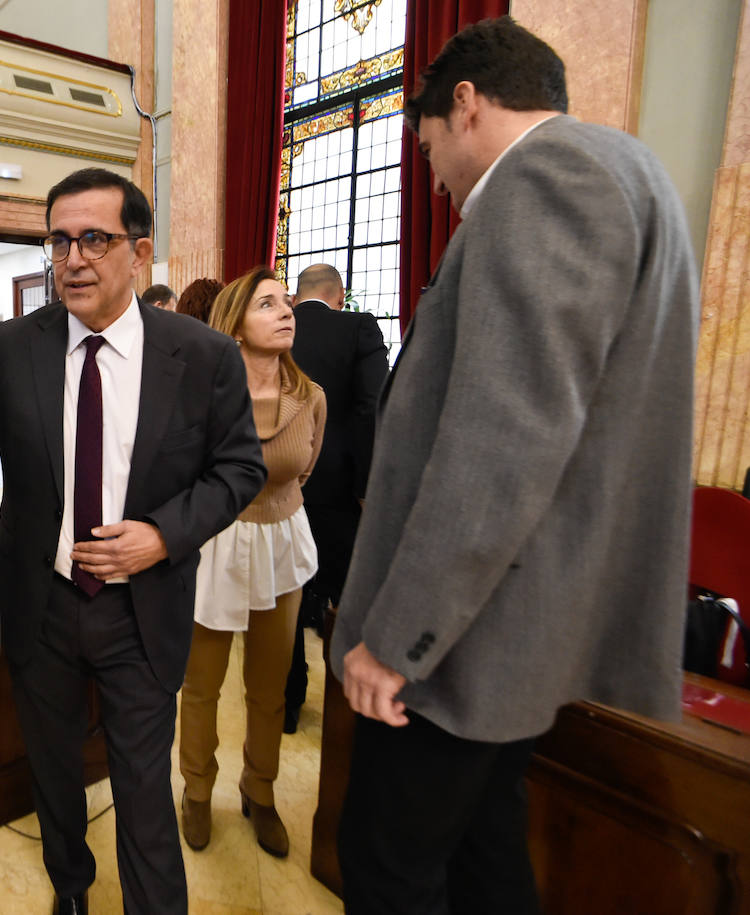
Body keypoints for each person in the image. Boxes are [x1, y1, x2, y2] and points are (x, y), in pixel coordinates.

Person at [329, 17, 699, 915]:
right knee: (486, 852)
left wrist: (400, 633)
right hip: (527, 630)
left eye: (424, 150)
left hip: (464, 643)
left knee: (385, 863)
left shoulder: (543, 179)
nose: (436, 180)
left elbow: (505, 440)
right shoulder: (634, 169)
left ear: (464, 105)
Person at [0, 167, 265, 914]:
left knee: (142, 793)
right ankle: (70, 893)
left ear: (140, 250)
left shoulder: (201, 356)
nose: (74, 258)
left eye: (95, 237)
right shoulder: (14, 345)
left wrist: (163, 534)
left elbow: (239, 468)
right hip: (42, 607)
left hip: (141, 613)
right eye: (59, 241)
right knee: (56, 780)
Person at [177, 266, 325, 859]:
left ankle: (259, 792)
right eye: (268, 304)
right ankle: (195, 790)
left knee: (268, 687)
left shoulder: (309, 396)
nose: (287, 311)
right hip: (218, 540)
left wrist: (275, 507)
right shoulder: (206, 394)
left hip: (281, 542)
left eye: (287, 302)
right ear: (235, 325)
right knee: (202, 684)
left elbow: (305, 470)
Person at [282, 263, 388, 733]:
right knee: (347, 600)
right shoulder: (357, 328)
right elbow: (373, 407)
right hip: (342, 489)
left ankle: (288, 705)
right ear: (339, 294)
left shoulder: (277, 329)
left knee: (288, 599)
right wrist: (368, 486)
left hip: (284, 488)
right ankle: (346, 712)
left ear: (297, 295)